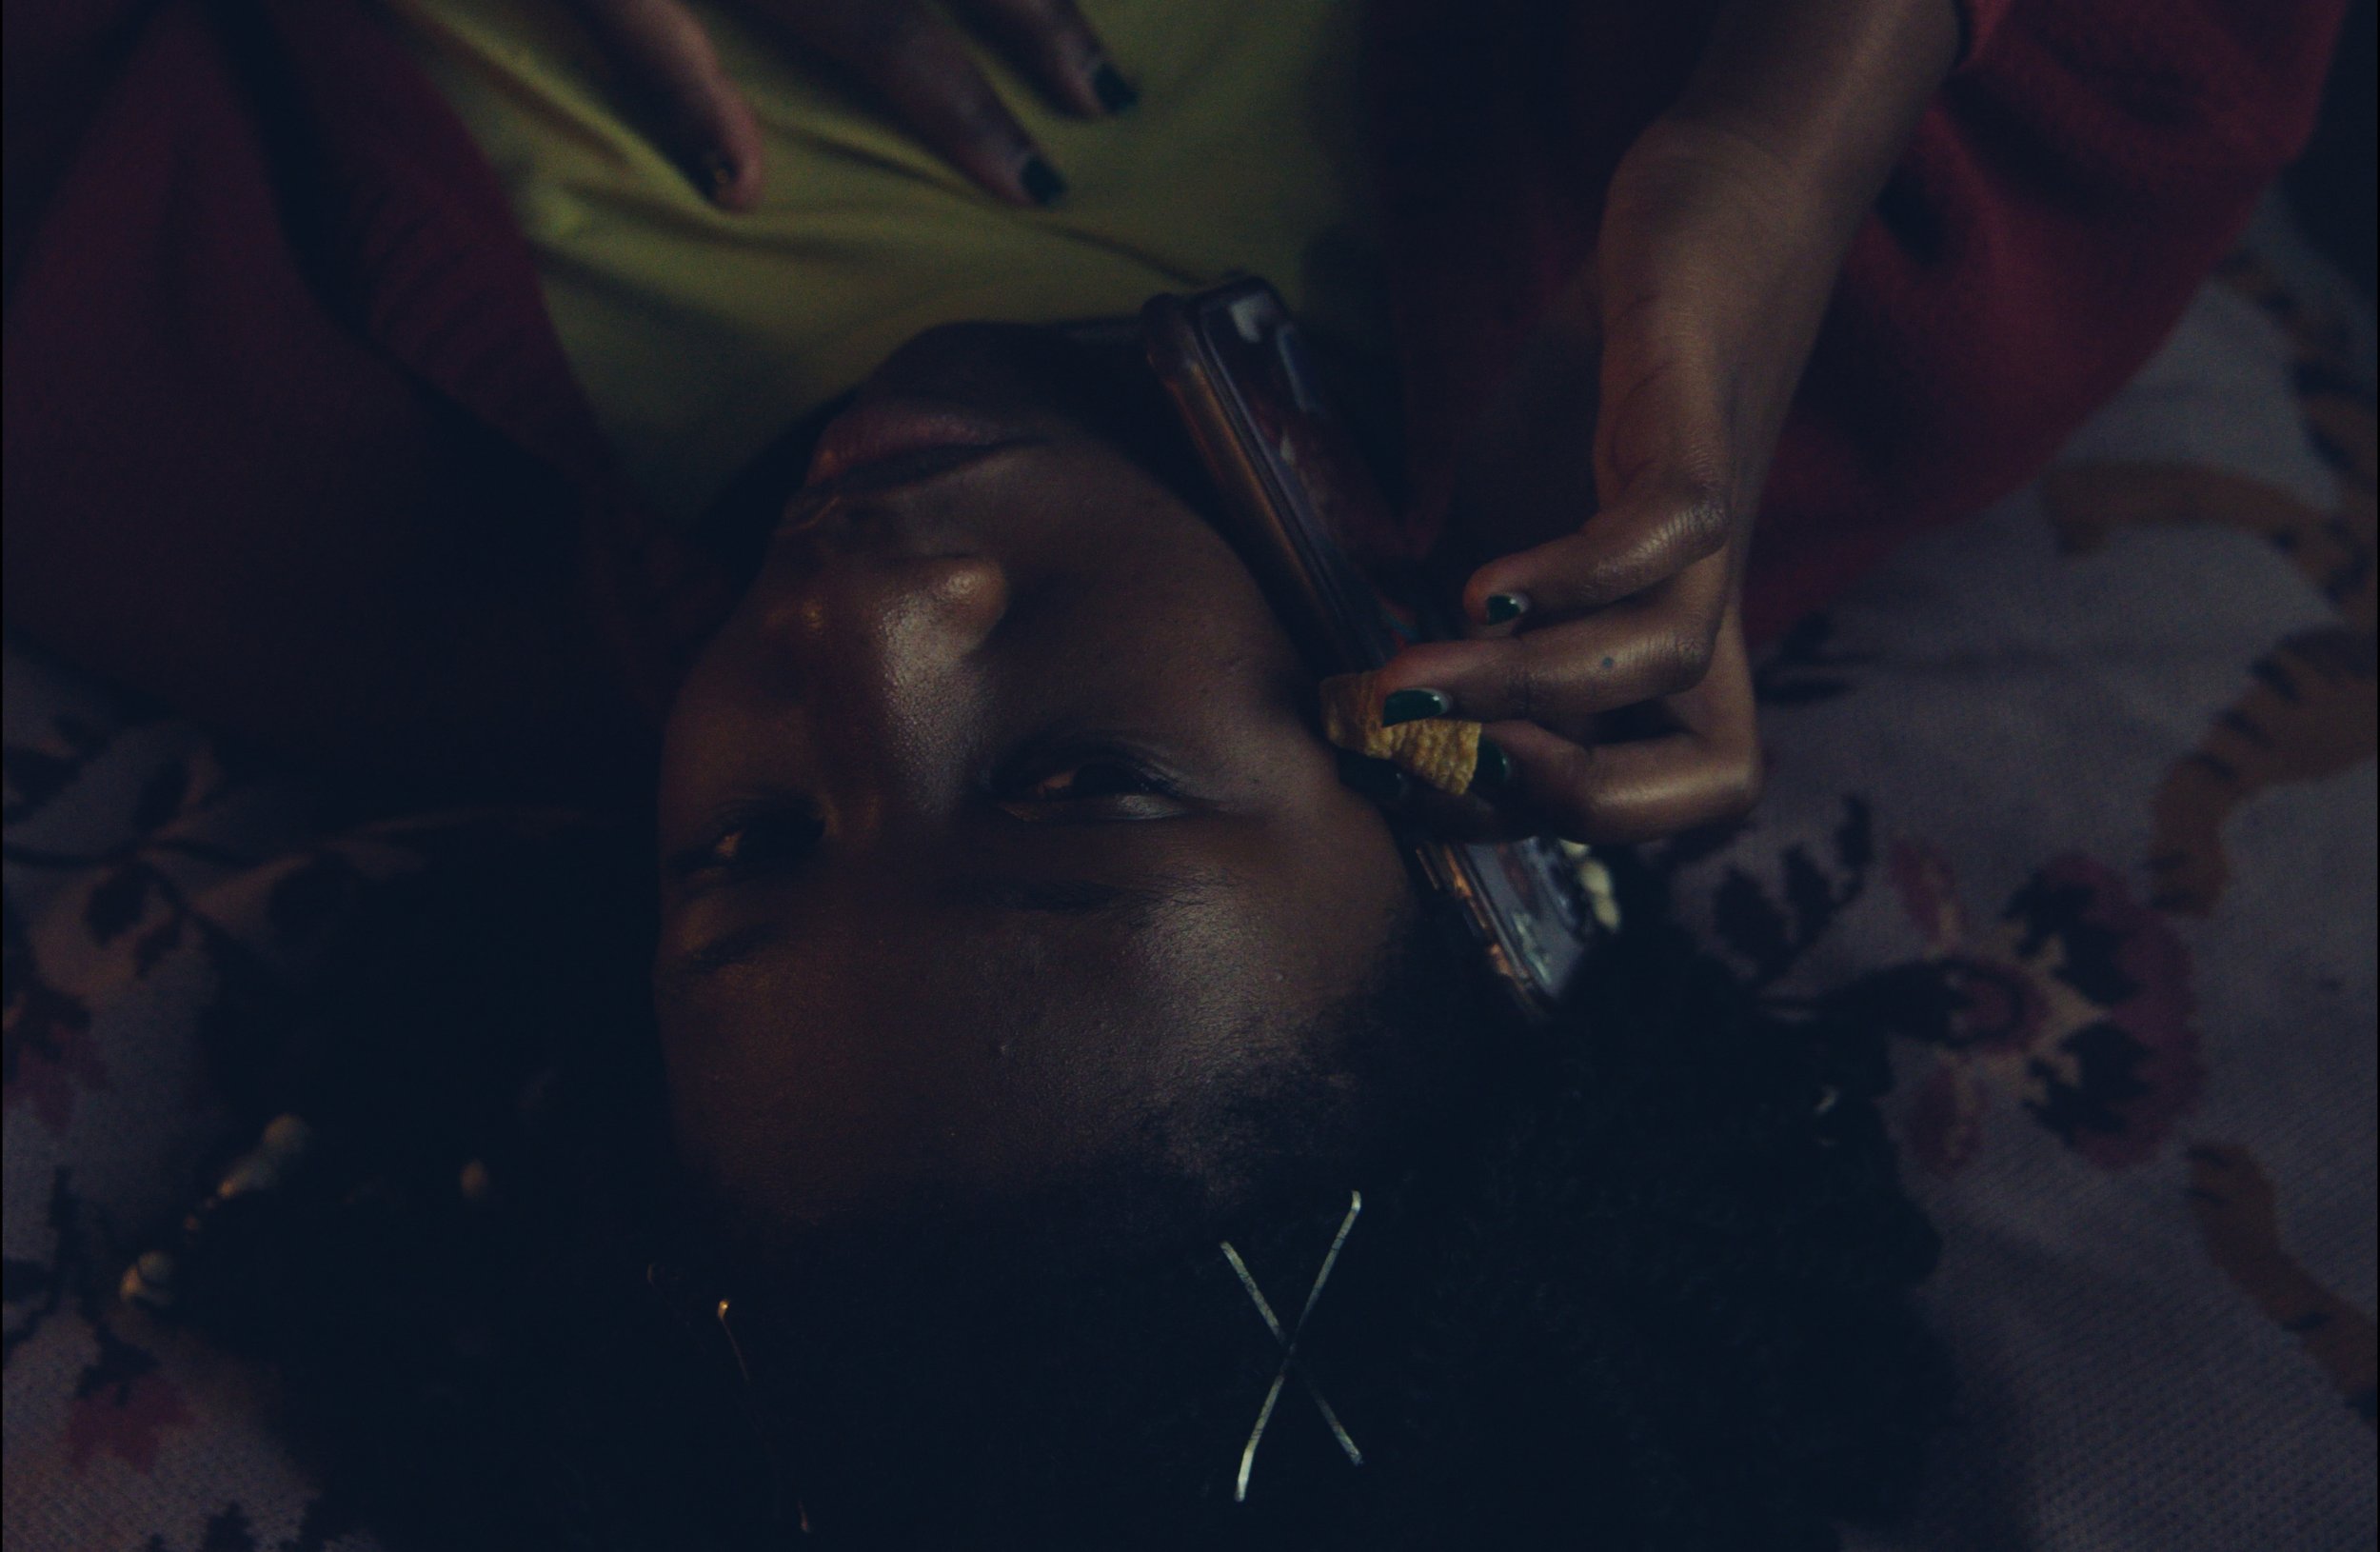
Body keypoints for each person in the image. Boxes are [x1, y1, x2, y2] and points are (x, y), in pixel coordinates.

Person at [1, 0, 2349, 1545]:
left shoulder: (220, 465)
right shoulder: (1830, 312)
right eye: (1081, 784)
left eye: (750, 841)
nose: (873, 624)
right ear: (1479, 838)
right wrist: (1782, 127)